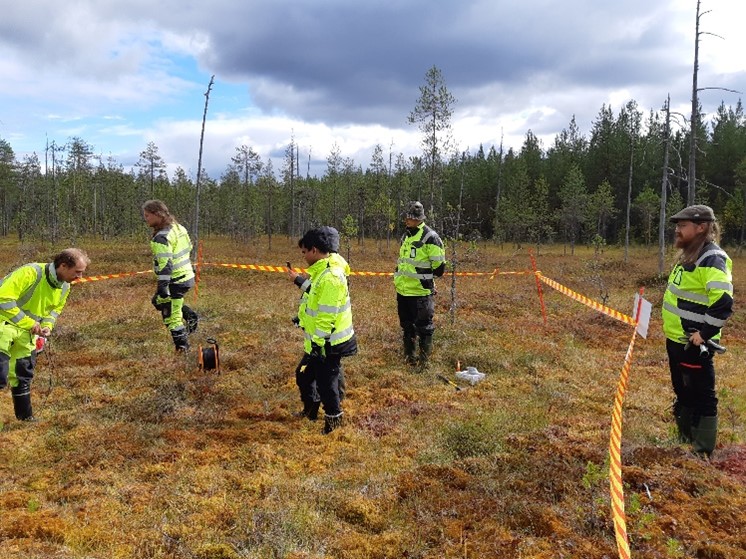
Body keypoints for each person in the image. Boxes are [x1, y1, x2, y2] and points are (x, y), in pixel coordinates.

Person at [663, 204, 733, 458]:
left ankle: (702, 450)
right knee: (683, 390)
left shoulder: (712, 258)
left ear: (701, 227)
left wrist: (704, 334)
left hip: (694, 343)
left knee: (701, 394)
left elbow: (723, 302)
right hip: (677, 339)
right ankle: (684, 439)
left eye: (683, 226)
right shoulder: (691, 254)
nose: (677, 231)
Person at [0, 248, 89, 421]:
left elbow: (54, 310)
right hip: (3, 326)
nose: (80, 277)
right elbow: (3, 298)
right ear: (63, 266)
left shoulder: (65, 286)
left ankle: (25, 418)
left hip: (26, 335)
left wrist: (47, 326)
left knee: (22, 376)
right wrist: (29, 323)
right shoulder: (31, 272)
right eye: (77, 272)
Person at [287, 227, 357, 434]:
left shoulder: (331, 276)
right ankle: (310, 411)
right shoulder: (322, 271)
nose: (303, 256)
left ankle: (333, 423)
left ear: (315, 250)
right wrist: (298, 280)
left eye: (305, 252)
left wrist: (318, 343)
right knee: (304, 376)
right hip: (319, 341)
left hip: (328, 343)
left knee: (327, 384)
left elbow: (327, 316)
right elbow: (315, 292)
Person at [394, 201, 446, 368]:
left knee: (424, 327)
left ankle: (424, 362)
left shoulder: (430, 237)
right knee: (407, 326)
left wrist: (424, 278)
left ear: (418, 219)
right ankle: (409, 357)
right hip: (403, 291)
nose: (407, 221)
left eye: (410, 218)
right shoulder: (406, 236)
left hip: (420, 292)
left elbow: (439, 269)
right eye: (406, 218)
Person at [142, 200, 198, 352]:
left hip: (176, 281)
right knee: (158, 302)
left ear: (158, 215)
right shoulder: (179, 228)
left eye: (147, 215)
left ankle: (182, 350)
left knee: (172, 318)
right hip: (187, 276)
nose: (145, 218)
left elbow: (166, 266)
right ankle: (190, 315)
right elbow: (189, 248)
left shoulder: (161, 237)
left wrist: (163, 288)